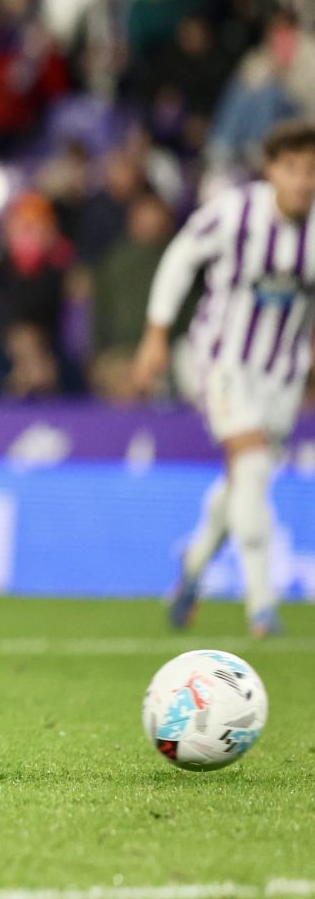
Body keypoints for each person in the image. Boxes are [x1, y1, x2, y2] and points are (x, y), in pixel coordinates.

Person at [133, 119, 315, 638]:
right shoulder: (236, 213)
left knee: (242, 481)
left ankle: (191, 569)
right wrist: (156, 333)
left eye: (312, 172)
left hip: (282, 375)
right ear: (271, 170)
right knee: (253, 465)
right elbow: (179, 258)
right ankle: (263, 605)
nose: (303, 181)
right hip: (220, 359)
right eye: (293, 169)